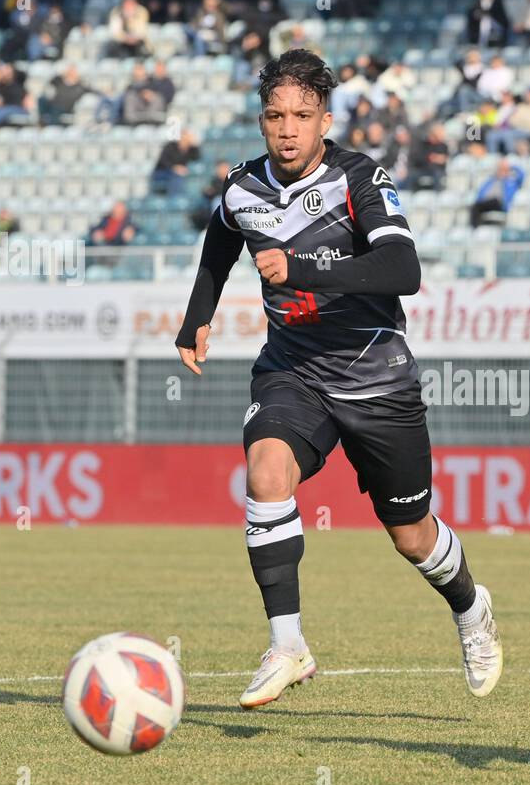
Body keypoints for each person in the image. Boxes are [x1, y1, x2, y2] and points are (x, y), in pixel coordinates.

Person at [173, 50, 504, 708]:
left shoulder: (360, 178)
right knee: (266, 472)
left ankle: (471, 608)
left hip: (377, 376)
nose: (287, 128)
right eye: (275, 116)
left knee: (410, 534)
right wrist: (195, 320)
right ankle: (288, 645)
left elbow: (403, 269)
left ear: (325, 119)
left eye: (301, 115)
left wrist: (306, 272)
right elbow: (220, 239)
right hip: (292, 372)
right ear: (261, 121)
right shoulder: (243, 188)